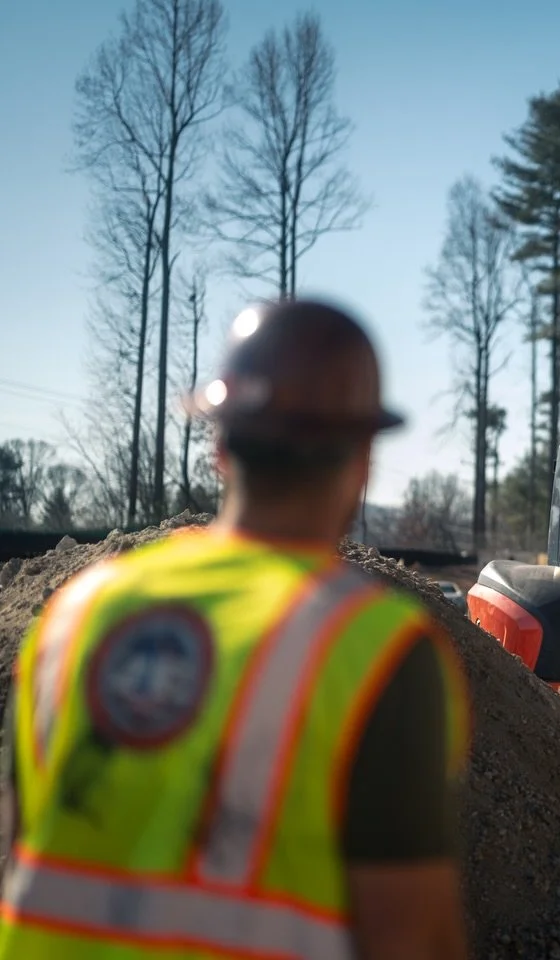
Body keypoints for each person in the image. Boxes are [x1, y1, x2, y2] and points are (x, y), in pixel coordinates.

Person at [0, 300, 471, 959]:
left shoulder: (74, 617)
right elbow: (410, 940)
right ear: (363, 459)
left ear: (220, 447)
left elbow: (20, 851)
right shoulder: (377, 649)